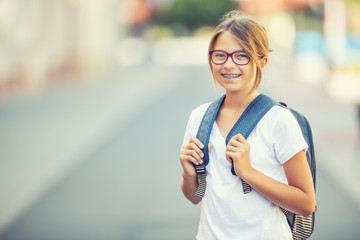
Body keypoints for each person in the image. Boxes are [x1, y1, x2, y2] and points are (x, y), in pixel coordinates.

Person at [179, 11, 316, 240]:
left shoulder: (278, 121)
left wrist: (248, 172)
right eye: (220, 55)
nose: (228, 65)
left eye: (241, 56)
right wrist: (188, 173)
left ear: (261, 62)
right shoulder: (199, 118)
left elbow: (306, 203)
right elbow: (194, 197)